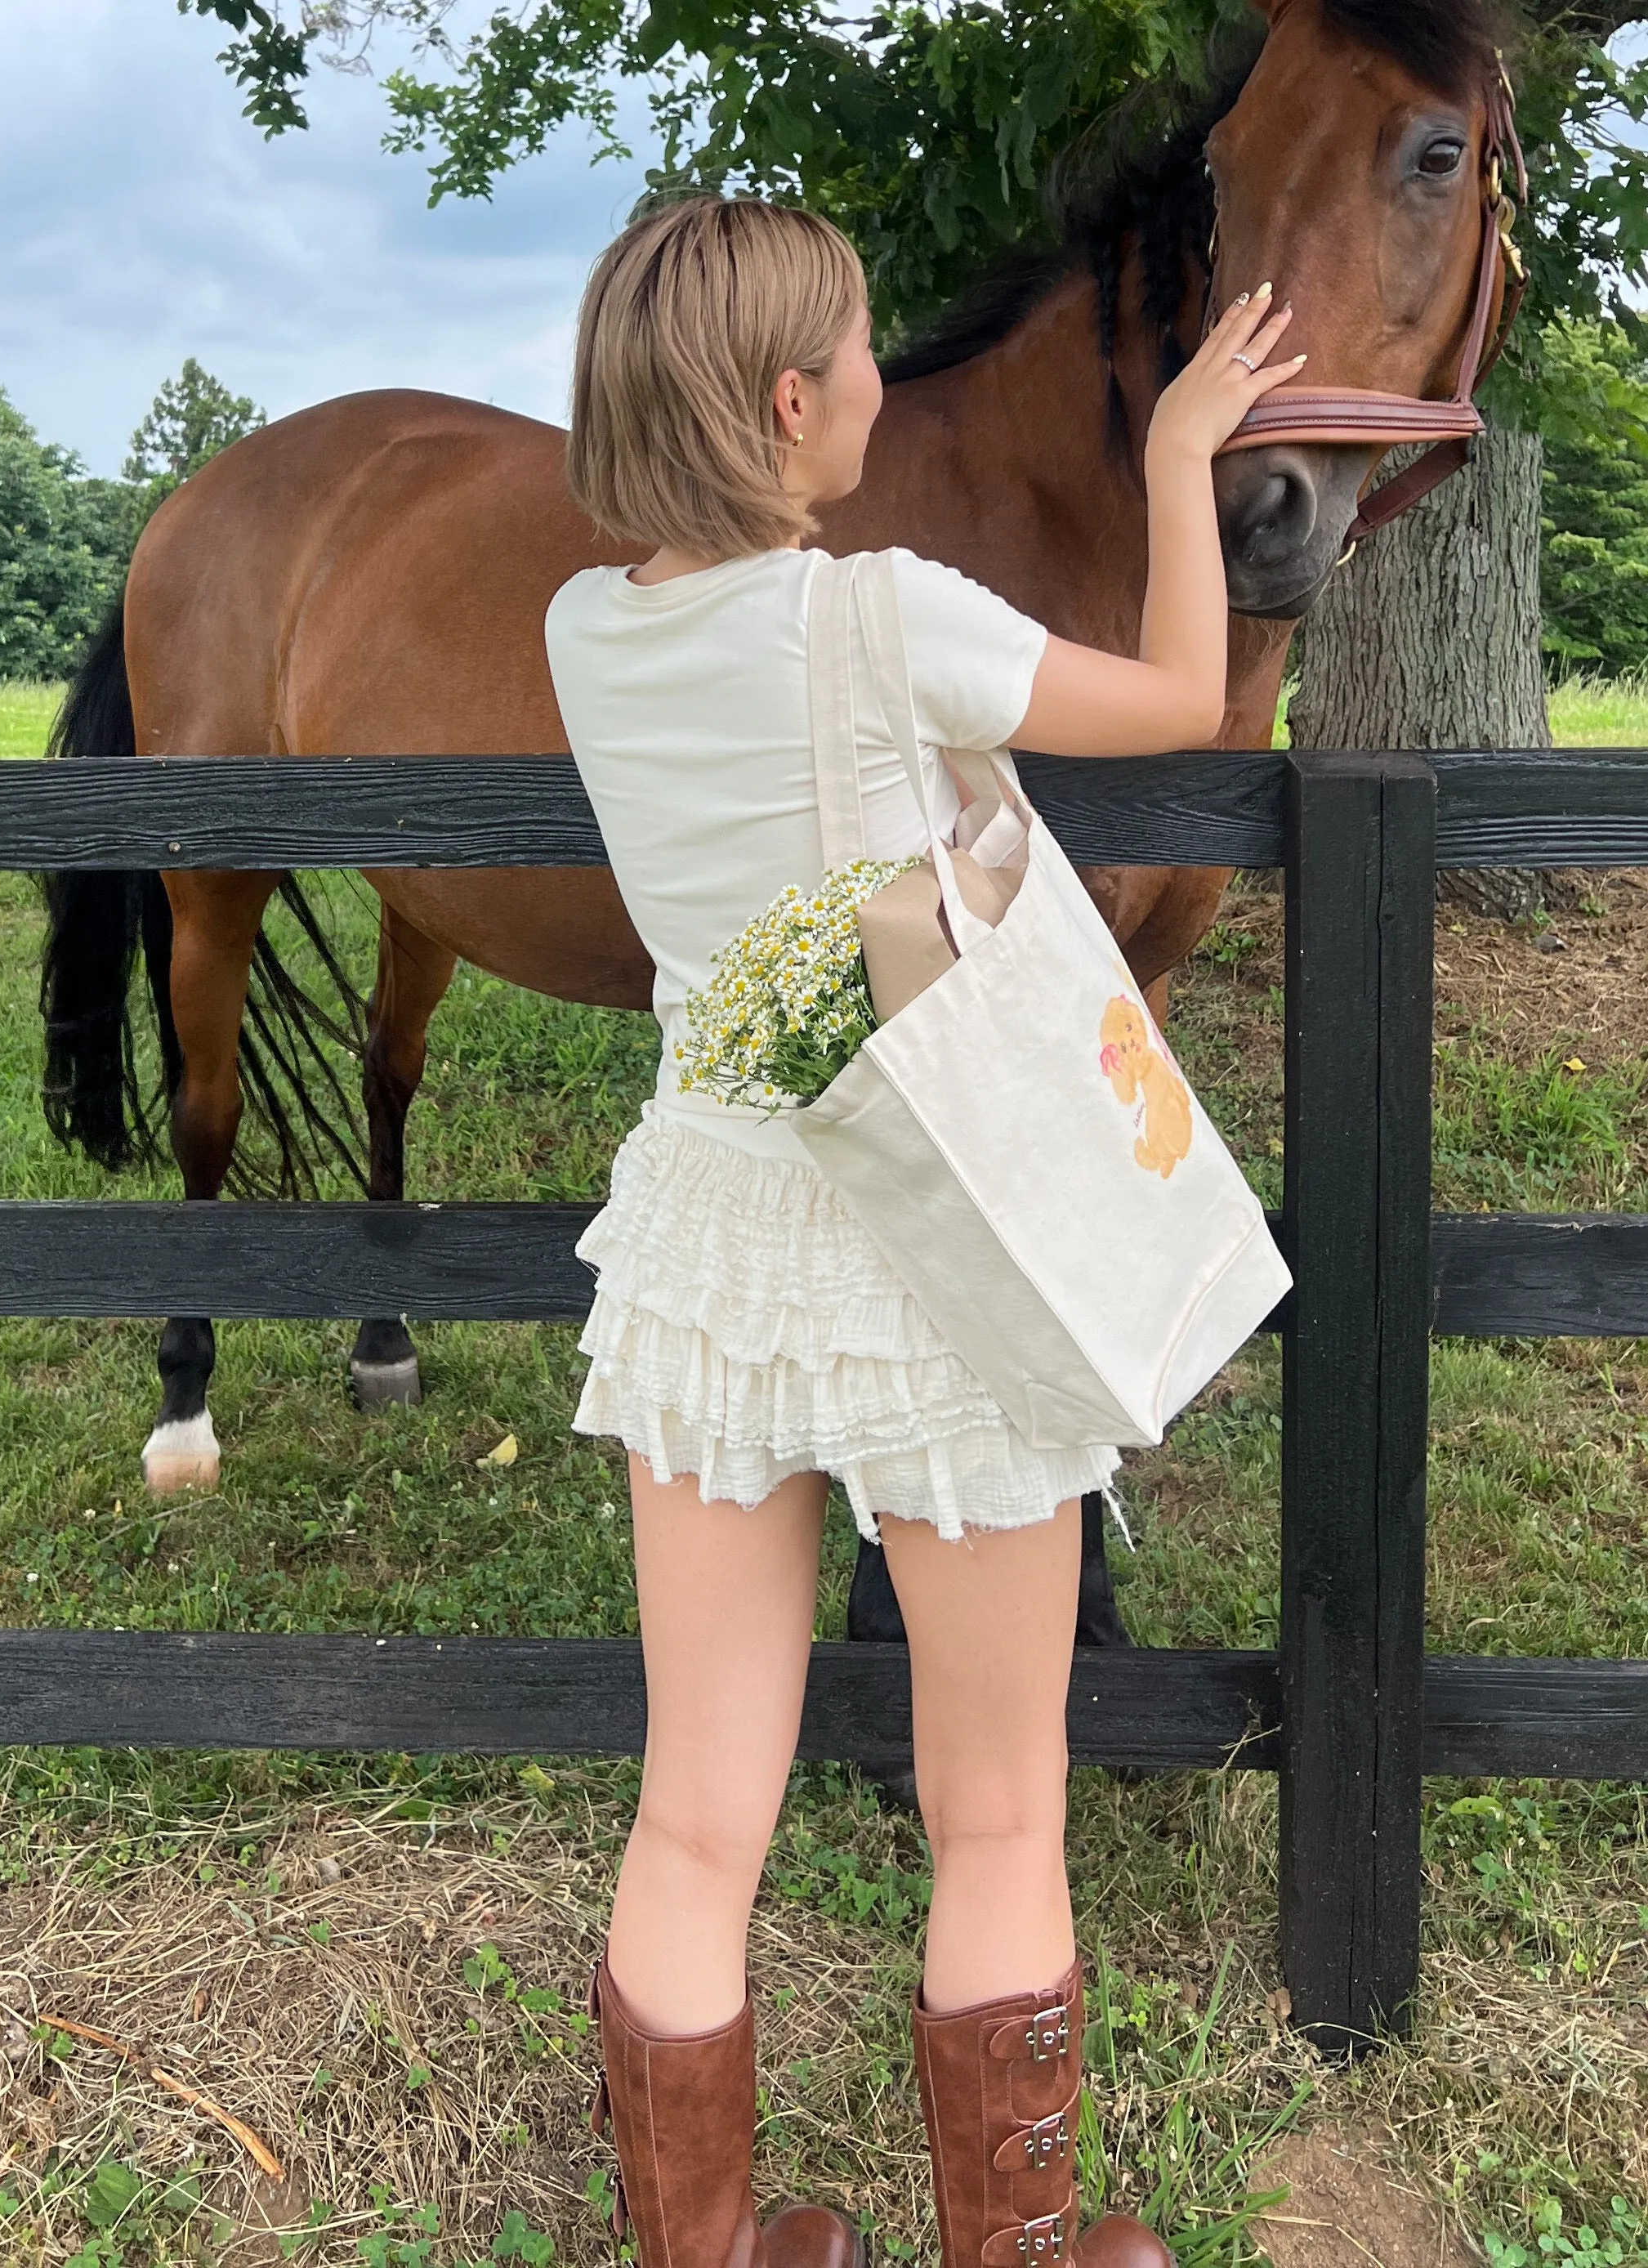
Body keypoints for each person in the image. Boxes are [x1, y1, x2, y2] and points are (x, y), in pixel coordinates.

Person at [544, 195, 1301, 2268]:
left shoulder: (582, 630)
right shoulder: (878, 615)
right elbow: (1171, 696)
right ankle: (1027, 2250)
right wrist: (1169, 457)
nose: (887, 379)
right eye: (866, 349)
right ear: (792, 405)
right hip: (933, 1234)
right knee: (995, 1804)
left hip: (709, 1227)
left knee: (695, 1811)